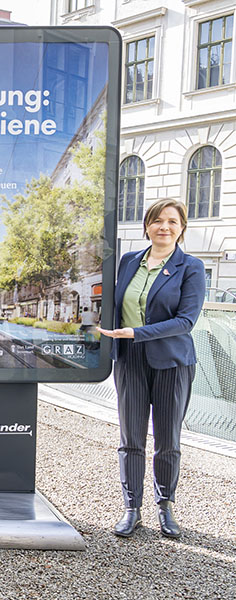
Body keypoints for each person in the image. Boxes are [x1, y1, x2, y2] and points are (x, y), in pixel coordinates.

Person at [96, 199, 205, 539]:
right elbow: (111, 305)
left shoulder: (191, 267)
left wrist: (137, 333)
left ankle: (165, 506)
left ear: (182, 228)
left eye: (172, 222)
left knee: (168, 440)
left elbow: (185, 321)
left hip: (172, 362)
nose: (164, 227)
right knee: (130, 439)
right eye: (157, 221)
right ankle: (132, 508)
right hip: (129, 360)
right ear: (146, 226)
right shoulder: (129, 262)